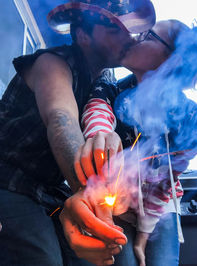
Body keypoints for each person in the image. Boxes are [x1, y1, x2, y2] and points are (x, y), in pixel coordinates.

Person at [0, 0, 156, 265]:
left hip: (52, 192)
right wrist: (89, 190)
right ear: (84, 35)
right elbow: (61, 119)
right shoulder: (52, 62)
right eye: (115, 29)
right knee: (44, 259)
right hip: (10, 180)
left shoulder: (105, 83)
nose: (129, 37)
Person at [75, 20, 197, 266]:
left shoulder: (190, 119)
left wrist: (142, 238)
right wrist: (100, 137)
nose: (135, 37)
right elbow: (96, 114)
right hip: (115, 206)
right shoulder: (109, 89)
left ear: (171, 61)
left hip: (159, 208)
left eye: (149, 35)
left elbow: (164, 183)